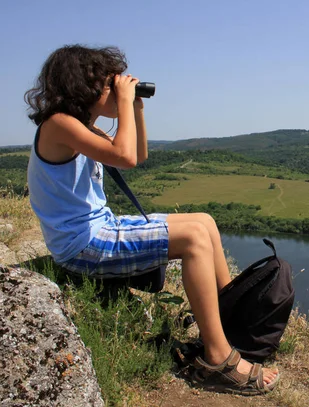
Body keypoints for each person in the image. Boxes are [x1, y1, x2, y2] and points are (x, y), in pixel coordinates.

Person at [25, 44, 279, 395]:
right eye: (108, 82)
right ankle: (217, 360)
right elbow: (125, 157)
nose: (117, 88)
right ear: (82, 85)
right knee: (192, 240)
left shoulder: (80, 127)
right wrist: (125, 103)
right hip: (80, 246)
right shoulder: (59, 124)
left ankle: (226, 325)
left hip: (99, 229)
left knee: (203, 221)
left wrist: (136, 109)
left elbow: (136, 154)